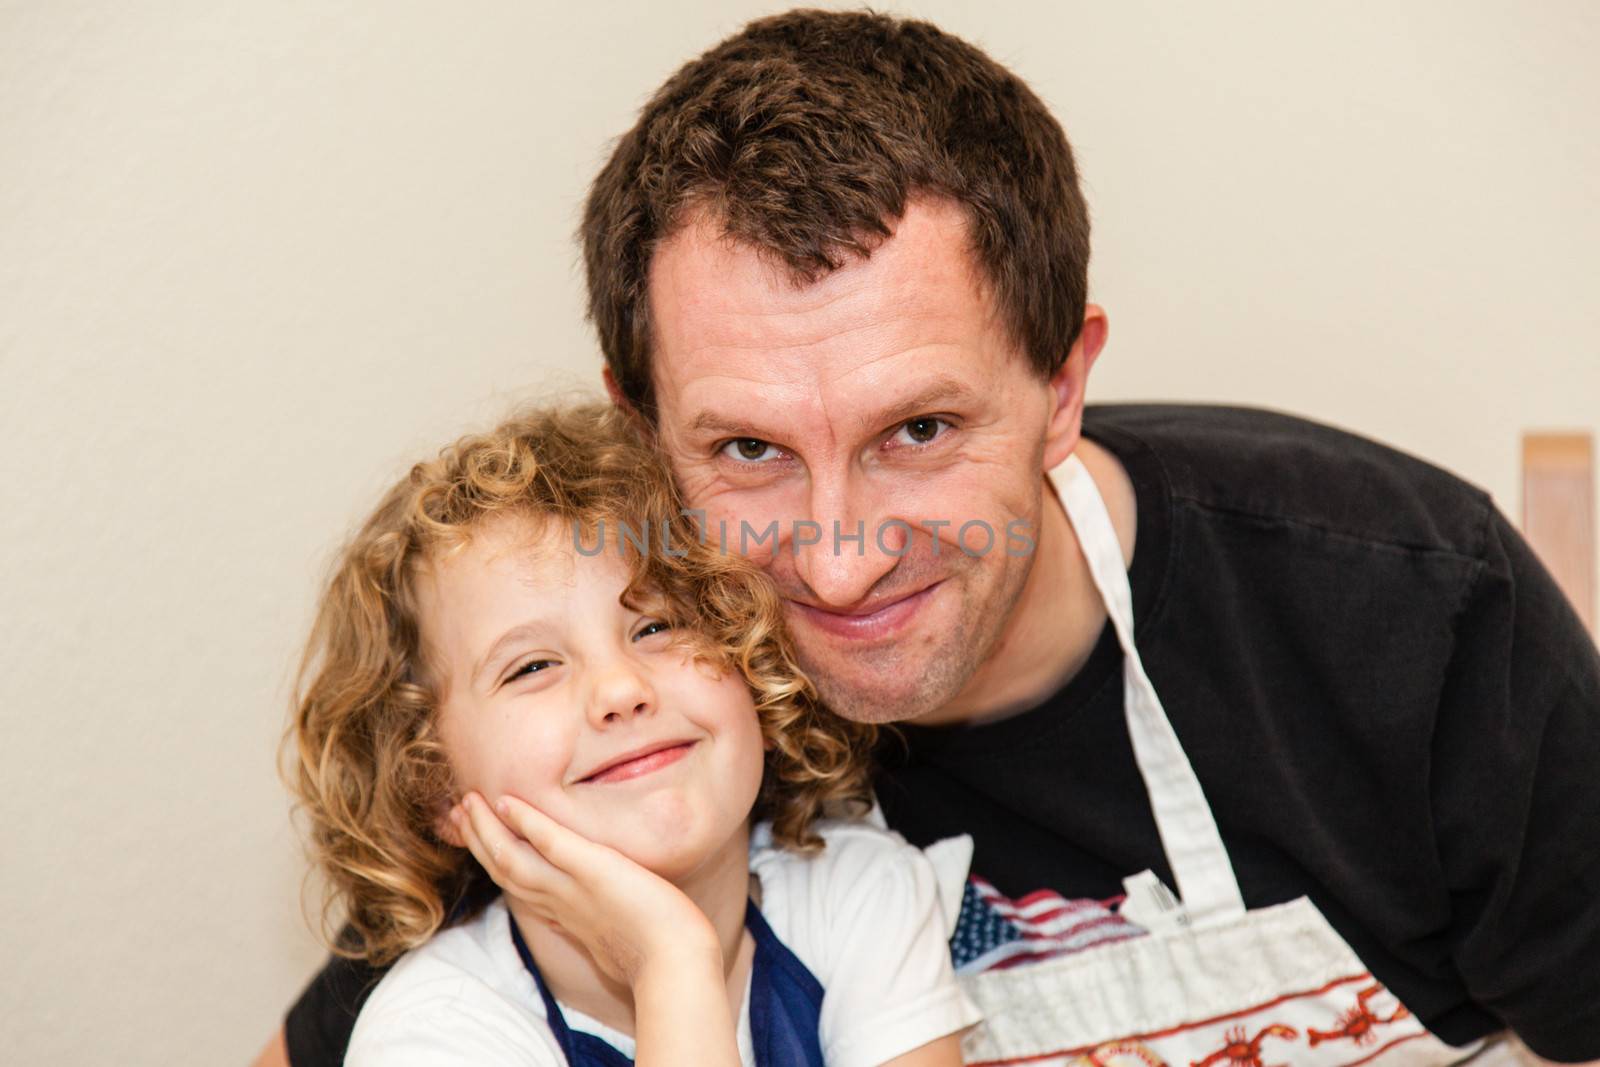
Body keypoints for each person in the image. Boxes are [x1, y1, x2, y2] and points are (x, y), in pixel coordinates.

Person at [263, 9, 1600, 1065]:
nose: (840, 562)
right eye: (747, 450)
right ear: (640, 434)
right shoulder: (645, 741)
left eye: (919, 430)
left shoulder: (1405, 608)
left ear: (1062, 383)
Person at [283, 403, 979, 1067]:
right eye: (531, 666)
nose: (620, 689)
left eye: (657, 626)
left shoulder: (857, 897)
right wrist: (670, 964)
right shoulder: (434, 1031)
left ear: (760, 669)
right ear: (430, 780)